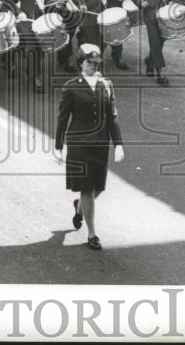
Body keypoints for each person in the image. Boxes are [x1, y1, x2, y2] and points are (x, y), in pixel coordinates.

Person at [53, 44, 124, 251]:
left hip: (100, 144)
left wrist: (118, 144)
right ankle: (92, 233)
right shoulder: (71, 87)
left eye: (96, 63)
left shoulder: (106, 84)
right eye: (89, 62)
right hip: (79, 145)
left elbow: (112, 117)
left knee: (98, 188)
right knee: (87, 189)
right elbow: (63, 119)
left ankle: (79, 207)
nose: (93, 66)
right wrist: (58, 147)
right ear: (80, 63)